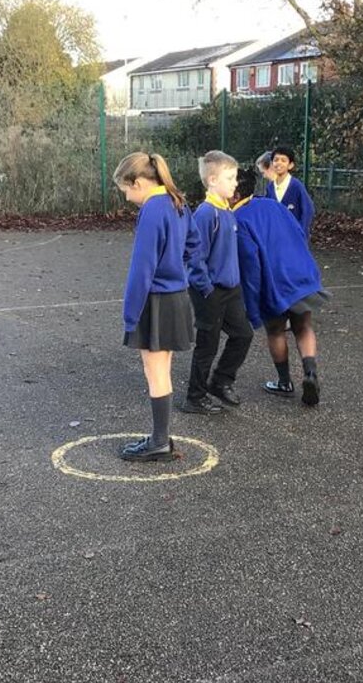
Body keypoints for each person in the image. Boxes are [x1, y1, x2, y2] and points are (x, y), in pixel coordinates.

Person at [114, 151, 194, 461]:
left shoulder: (152, 209)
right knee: (163, 369)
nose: (126, 197)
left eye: (125, 189)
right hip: (176, 297)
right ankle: (160, 438)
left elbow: (142, 269)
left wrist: (130, 314)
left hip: (156, 301)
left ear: (137, 182)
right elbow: (194, 245)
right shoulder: (178, 202)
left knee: (155, 371)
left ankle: (159, 442)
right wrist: (177, 270)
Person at [233, 166, 330, 407]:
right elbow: (298, 231)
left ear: (235, 193)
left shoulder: (238, 219)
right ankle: (310, 372)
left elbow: (250, 264)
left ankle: (284, 381)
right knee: (303, 325)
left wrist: (251, 308)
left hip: (273, 281)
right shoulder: (273, 205)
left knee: (275, 330)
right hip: (299, 274)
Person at [180, 150, 253, 415]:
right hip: (209, 291)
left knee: (243, 335)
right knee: (207, 345)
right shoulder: (206, 214)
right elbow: (194, 256)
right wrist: (206, 288)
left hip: (230, 289)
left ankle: (220, 381)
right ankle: (194, 397)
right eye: (230, 178)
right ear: (212, 180)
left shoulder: (227, 210)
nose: (235, 183)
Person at [265, 145, 315, 237]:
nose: (279, 163)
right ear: (272, 163)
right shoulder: (270, 187)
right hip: (275, 236)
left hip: (294, 236)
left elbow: (308, 210)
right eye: (276, 160)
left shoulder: (296, 186)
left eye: (283, 160)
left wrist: (300, 231)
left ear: (290, 165)